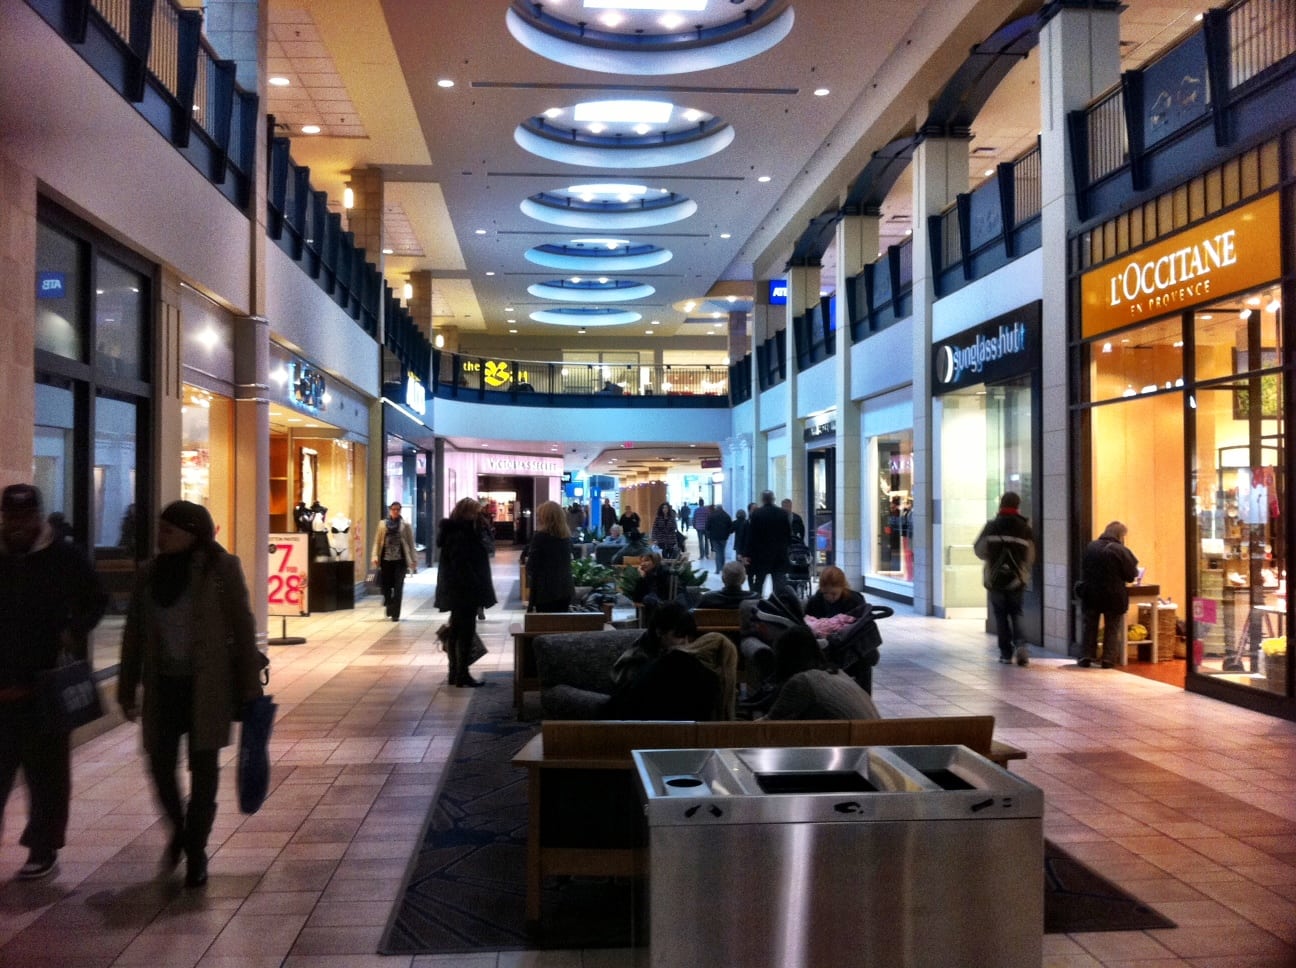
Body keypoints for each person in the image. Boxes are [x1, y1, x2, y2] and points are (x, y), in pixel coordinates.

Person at [118, 500, 265, 888]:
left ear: (190, 533)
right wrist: (126, 685)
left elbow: (243, 625)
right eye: (160, 529)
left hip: (207, 688)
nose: (160, 536)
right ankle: (179, 831)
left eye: (169, 530)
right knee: (160, 767)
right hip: (163, 689)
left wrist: (250, 686)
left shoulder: (221, 569)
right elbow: (133, 634)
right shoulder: (148, 575)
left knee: (204, 771)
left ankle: (196, 850)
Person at [0, 484, 107, 882]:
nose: (17, 526)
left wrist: (72, 630)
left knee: (46, 775)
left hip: (44, 687)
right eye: (11, 518)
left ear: (39, 517)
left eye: (25, 518)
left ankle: (42, 847)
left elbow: (96, 598)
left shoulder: (64, 556)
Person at [607, 603, 735, 721]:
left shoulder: (678, 658)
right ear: (659, 632)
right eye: (678, 636)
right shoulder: (636, 661)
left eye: (689, 637)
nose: (685, 643)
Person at [434, 498, 498, 687]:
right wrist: (476, 585)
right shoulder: (462, 533)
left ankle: (455, 672)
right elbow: (463, 564)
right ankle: (461, 673)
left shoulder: (459, 531)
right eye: (476, 512)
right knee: (465, 632)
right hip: (464, 590)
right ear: (468, 513)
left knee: (456, 630)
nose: (480, 515)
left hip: (457, 590)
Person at [760, 626, 881, 721]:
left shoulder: (802, 682)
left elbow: (769, 726)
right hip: (872, 740)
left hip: (856, 747)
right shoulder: (836, 672)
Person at [973, 491, 1036, 666]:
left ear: (1001, 505)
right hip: (1017, 579)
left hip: (995, 578)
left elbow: (979, 550)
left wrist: (992, 558)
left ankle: (1005, 654)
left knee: (1000, 616)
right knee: (1016, 613)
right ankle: (1021, 645)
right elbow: (1030, 556)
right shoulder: (1025, 529)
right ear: (1018, 506)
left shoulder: (991, 526)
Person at [1078, 521, 1140, 669]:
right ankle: (1108, 659)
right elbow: (1131, 575)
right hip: (1114, 595)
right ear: (1120, 535)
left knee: (1090, 625)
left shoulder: (1090, 547)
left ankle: (1086, 655)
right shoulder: (1121, 551)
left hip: (1091, 593)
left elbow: (1084, 567)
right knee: (1112, 627)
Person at [525, 500, 575, 613]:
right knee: (561, 626)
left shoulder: (540, 537)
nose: (537, 518)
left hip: (545, 592)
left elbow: (532, 567)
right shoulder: (566, 538)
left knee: (546, 626)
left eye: (539, 516)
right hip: (565, 589)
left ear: (545, 518)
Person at [371, 501, 417, 621]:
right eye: (393, 509)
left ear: (400, 510)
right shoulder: (382, 524)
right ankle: (389, 602)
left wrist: (413, 559)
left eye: (398, 509)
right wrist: (375, 556)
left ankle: (396, 614)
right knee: (386, 586)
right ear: (390, 510)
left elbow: (411, 543)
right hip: (386, 560)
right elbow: (377, 541)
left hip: (400, 561)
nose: (396, 511)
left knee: (398, 587)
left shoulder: (405, 525)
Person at [745, 490, 792, 597]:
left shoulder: (757, 514)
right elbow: (788, 534)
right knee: (779, 583)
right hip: (779, 555)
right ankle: (778, 604)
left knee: (759, 582)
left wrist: (747, 554)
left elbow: (752, 536)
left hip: (761, 556)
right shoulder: (783, 513)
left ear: (763, 500)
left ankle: (757, 603)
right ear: (773, 499)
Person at [704, 502, 733, 575]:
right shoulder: (726, 516)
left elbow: (707, 526)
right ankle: (723, 568)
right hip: (724, 537)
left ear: (716, 509)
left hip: (714, 537)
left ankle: (718, 569)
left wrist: (709, 534)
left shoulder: (712, 516)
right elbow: (730, 526)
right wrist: (727, 534)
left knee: (718, 552)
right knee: (722, 552)